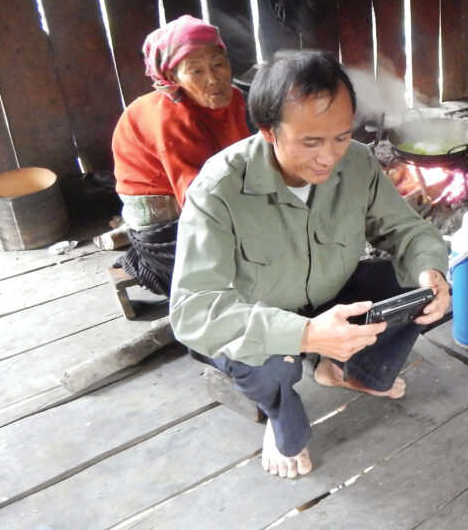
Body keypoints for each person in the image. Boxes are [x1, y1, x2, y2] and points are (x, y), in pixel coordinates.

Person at [169, 49, 451, 479]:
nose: (329, 156)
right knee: (270, 363)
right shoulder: (219, 189)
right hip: (263, 319)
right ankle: (278, 406)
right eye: (311, 141)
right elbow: (192, 310)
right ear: (268, 131)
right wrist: (305, 335)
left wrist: (430, 270)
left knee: (421, 291)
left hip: (330, 297)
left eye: (340, 136)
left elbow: (407, 231)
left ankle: (338, 367)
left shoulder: (357, 162)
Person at [112, 15, 250, 296]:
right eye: (196, 71)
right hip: (169, 229)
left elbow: (246, 159)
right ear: (173, 78)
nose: (213, 79)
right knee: (239, 276)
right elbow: (197, 202)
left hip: (214, 201)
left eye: (218, 64)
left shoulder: (235, 99)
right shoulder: (170, 119)